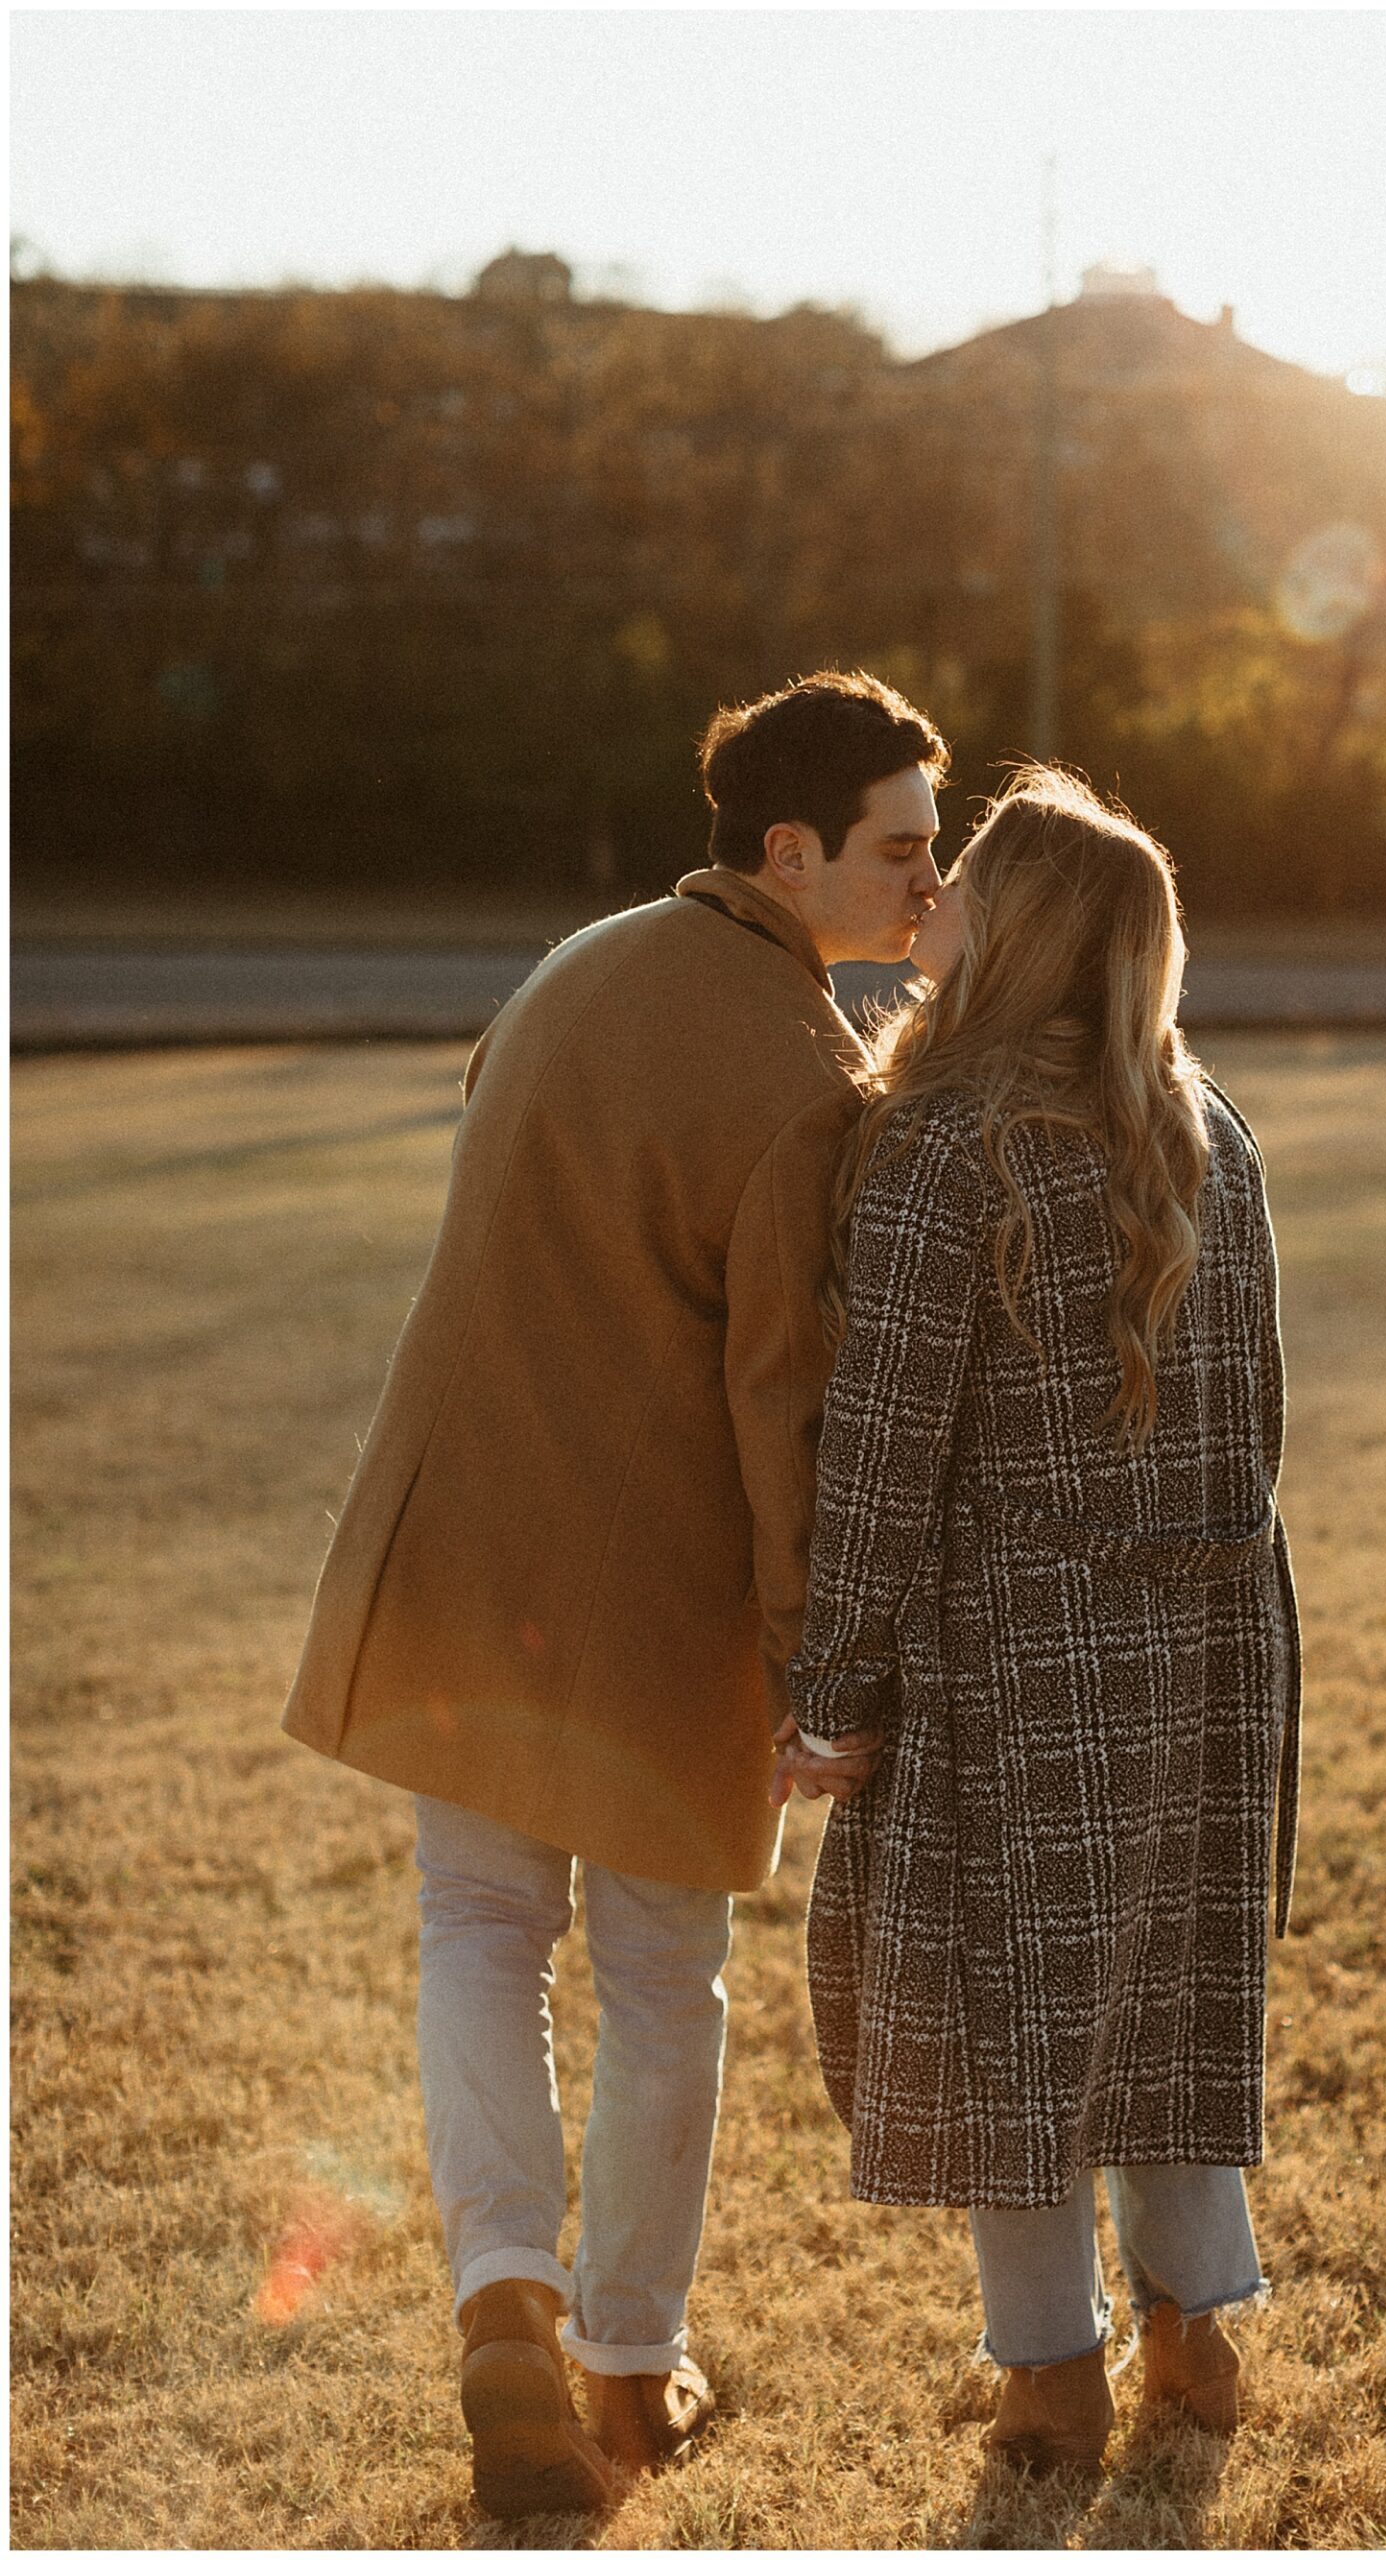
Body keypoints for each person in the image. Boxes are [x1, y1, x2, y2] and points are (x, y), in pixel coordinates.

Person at [282, 670, 941, 2519]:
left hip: (461, 1547)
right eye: (901, 851)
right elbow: (785, 1404)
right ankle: (631, 2372)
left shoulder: (567, 967)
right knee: (663, 1982)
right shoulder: (809, 1076)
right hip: (647, 1598)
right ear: (791, 852)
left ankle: (510, 2290)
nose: (927, 885)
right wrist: (826, 1658)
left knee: (476, 1932)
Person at [772, 765, 1302, 2477]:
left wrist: (830, 1682)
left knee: (1008, 2020)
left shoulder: (947, 1143)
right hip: (1216, 1648)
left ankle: (1050, 2378)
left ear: (1028, 926)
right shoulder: (1206, 1126)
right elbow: (1259, 1421)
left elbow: (879, 1445)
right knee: (1160, 1984)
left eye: (970, 881)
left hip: (1016, 1648)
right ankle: (1194, 2333)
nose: (940, 908)